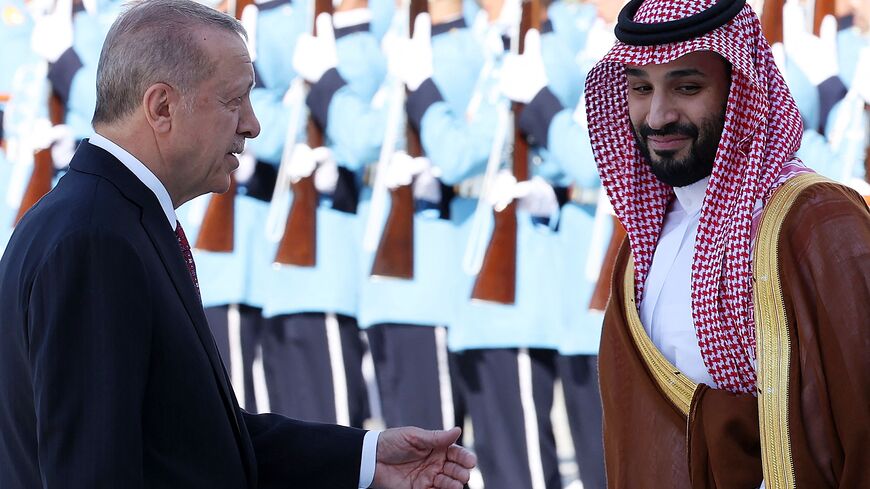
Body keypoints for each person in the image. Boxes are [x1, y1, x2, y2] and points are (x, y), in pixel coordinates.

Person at [0, 1, 477, 487]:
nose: (252, 124)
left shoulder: (110, 218)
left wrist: (366, 457)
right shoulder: (96, 240)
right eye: (233, 101)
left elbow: (195, 435)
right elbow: (93, 471)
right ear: (161, 107)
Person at [584, 0, 870, 487]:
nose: (657, 116)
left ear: (742, 90)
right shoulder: (642, 247)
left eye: (687, 87)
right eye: (640, 88)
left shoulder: (815, 222)